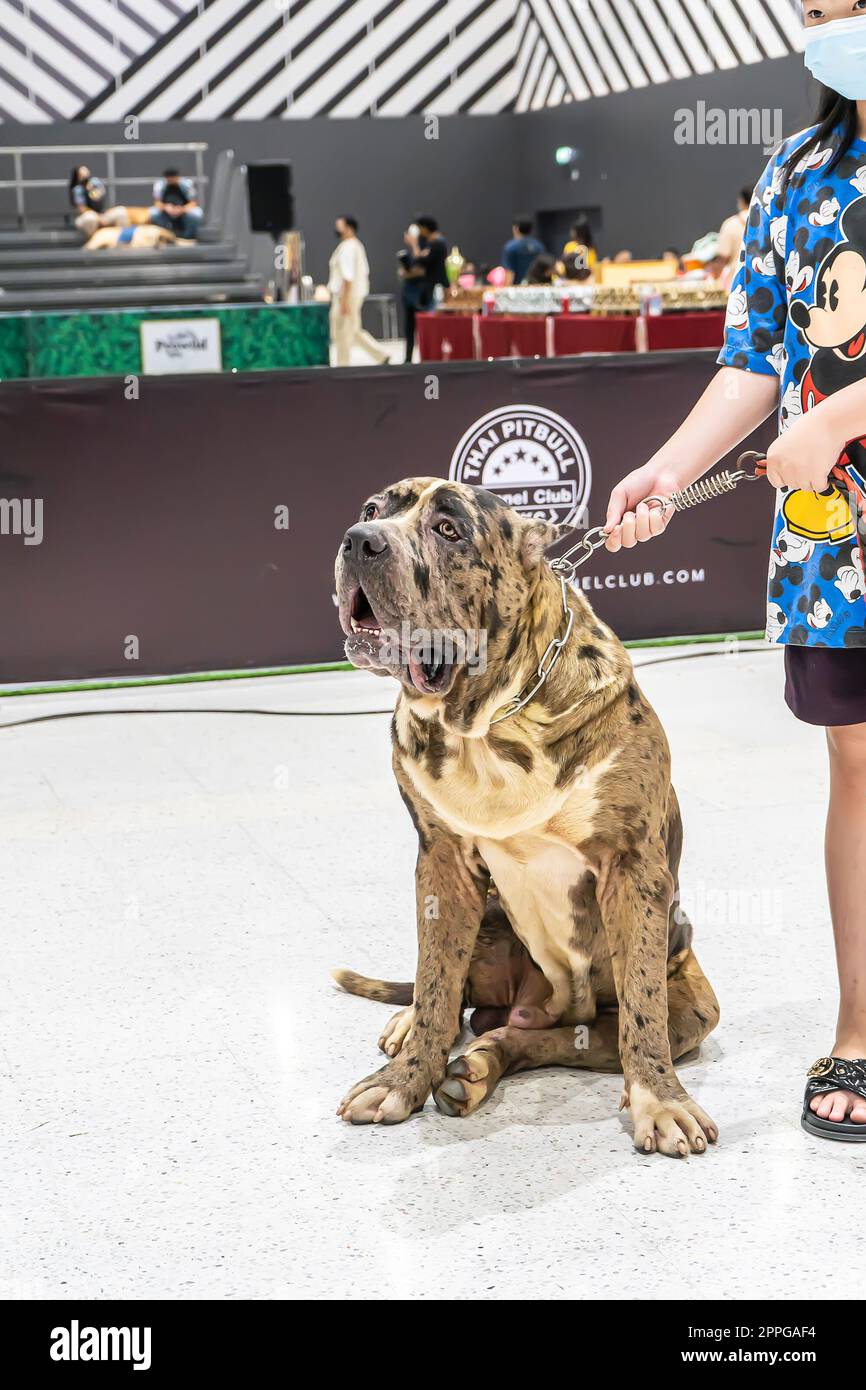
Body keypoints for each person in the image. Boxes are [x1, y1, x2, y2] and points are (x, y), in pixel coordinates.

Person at [605, 0, 866, 1142]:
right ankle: (860, 1030)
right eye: (810, 11)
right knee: (856, 774)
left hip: (828, 467)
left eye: (845, 4)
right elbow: (755, 357)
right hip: (834, 547)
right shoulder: (794, 172)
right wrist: (663, 472)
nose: (827, 26)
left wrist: (845, 411)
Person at [328, 215, 389, 367]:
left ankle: (343, 365)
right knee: (352, 329)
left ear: (349, 228)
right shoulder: (354, 246)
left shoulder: (349, 247)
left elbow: (348, 276)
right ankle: (381, 355)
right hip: (351, 294)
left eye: (340, 225)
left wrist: (344, 300)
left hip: (347, 296)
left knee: (343, 332)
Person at [400, 215, 448, 363]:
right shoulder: (429, 244)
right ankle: (411, 358)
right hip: (418, 292)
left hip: (431, 291)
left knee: (428, 326)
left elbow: (421, 262)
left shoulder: (437, 244)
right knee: (411, 326)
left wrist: (414, 245)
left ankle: (429, 357)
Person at [68, 165, 128, 240]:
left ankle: (120, 241)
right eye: (82, 172)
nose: (85, 173)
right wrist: (97, 217)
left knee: (121, 212)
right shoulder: (78, 189)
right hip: (86, 216)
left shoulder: (94, 183)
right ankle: (94, 242)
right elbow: (82, 209)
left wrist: (93, 189)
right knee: (91, 218)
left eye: (86, 170)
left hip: (101, 214)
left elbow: (98, 196)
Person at [149, 169, 203, 240]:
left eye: (173, 178)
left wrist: (182, 209)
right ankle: (164, 234)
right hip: (166, 211)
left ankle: (189, 235)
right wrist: (165, 207)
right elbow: (157, 202)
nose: (171, 181)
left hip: (183, 210)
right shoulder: (160, 185)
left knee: (197, 213)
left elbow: (193, 203)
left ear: (177, 177)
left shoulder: (186, 184)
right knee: (153, 213)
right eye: (169, 179)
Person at [714, 186, 752, 287]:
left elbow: (723, 256)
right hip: (761, 284)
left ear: (742, 201)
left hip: (736, 283)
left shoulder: (731, 224)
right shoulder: (766, 222)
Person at [502, 218, 546, 286]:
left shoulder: (511, 247)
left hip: (517, 290)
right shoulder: (539, 246)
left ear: (516, 228)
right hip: (536, 288)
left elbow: (509, 273)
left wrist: (505, 291)